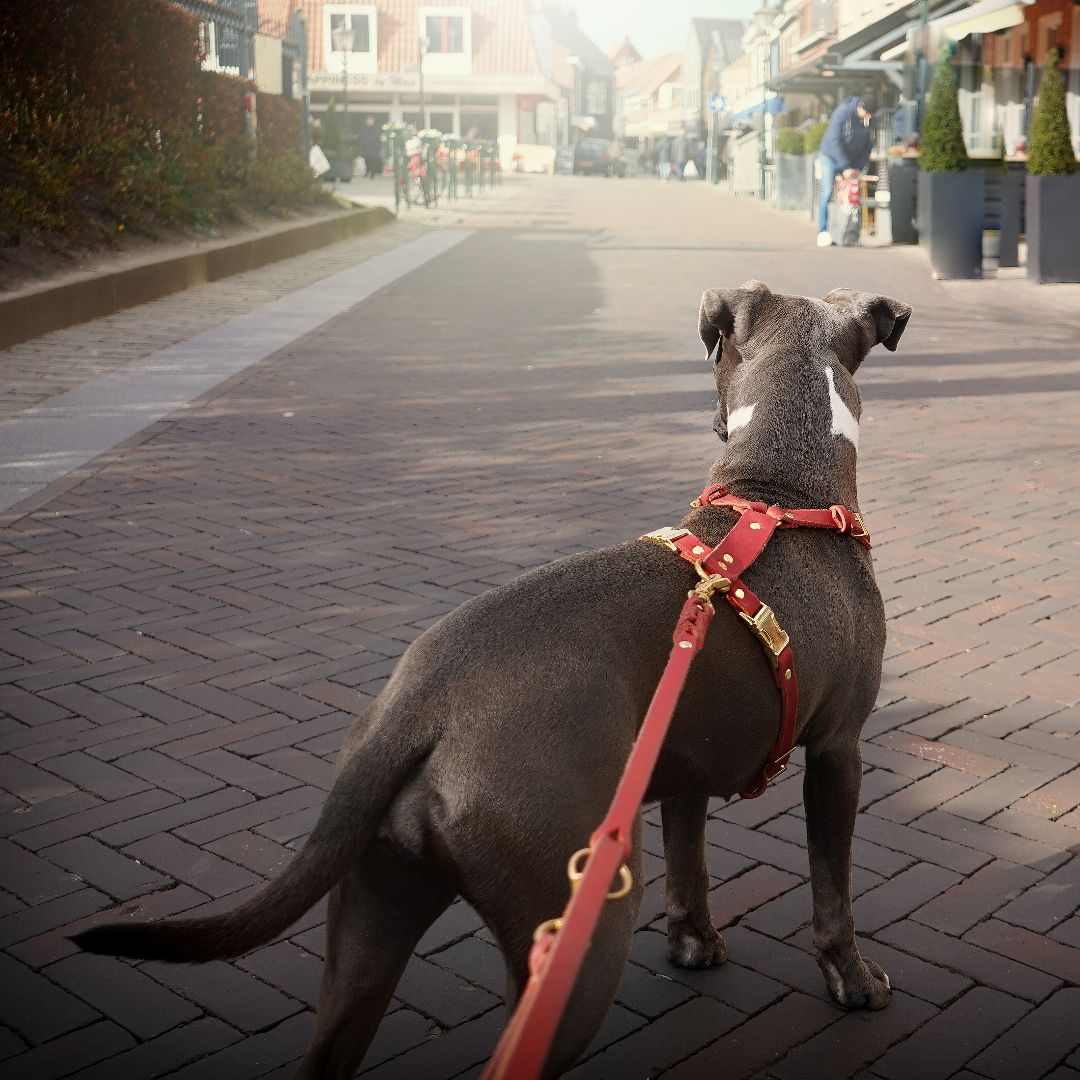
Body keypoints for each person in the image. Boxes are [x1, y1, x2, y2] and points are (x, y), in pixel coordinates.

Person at [817, 97, 875, 247]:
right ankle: (823, 232)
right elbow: (835, 141)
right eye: (867, 112)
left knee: (852, 197)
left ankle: (848, 233)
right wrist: (846, 167)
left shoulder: (869, 120)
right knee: (826, 193)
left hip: (851, 163)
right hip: (830, 157)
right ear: (861, 107)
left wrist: (857, 167)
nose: (869, 116)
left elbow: (868, 146)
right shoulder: (842, 113)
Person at [358, 116, 383, 180]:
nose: (369, 122)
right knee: (366, 160)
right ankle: (367, 171)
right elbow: (361, 135)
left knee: (373, 160)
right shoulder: (363, 127)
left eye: (370, 121)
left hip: (373, 147)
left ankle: (372, 173)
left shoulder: (376, 128)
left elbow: (376, 137)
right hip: (365, 147)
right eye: (368, 120)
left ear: (373, 121)